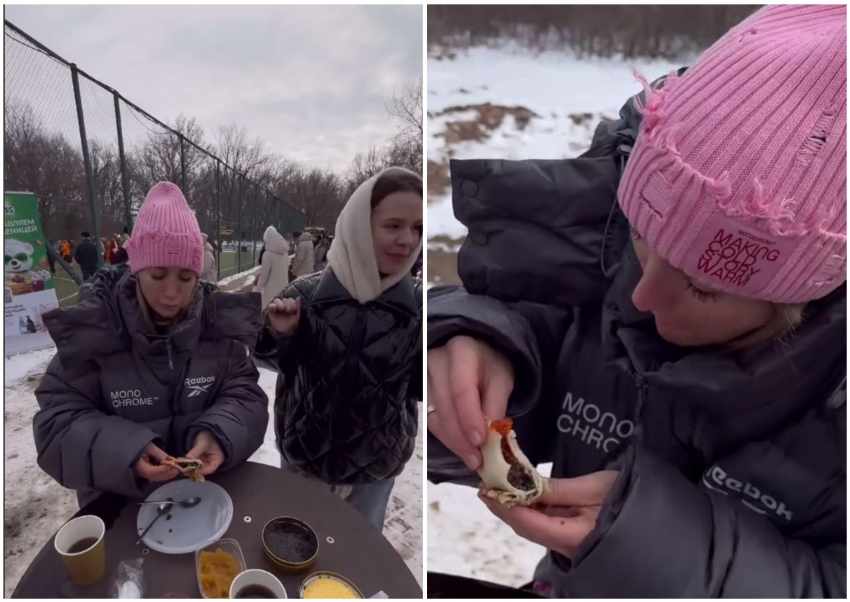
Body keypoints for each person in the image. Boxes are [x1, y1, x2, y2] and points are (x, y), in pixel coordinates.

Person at [427, 6, 845, 599]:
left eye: (703, 286)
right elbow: (548, 334)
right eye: (644, 240)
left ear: (805, 298)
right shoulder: (606, 266)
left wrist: (651, 546)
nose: (641, 296)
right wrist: (476, 343)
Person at [33, 182, 269, 508]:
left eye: (186, 278)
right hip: (120, 510)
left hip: (203, 501)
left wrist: (219, 433)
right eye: (158, 276)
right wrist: (124, 451)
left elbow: (245, 395)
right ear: (137, 269)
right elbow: (56, 424)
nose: (171, 293)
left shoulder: (219, 326)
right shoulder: (94, 328)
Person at [255, 167, 423, 531]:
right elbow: (264, 358)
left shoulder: (421, 307)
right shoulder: (306, 294)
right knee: (292, 552)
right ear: (360, 226)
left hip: (373, 474)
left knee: (356, 568)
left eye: (418, 229)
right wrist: (281, 334)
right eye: (393, 226)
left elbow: (422, 388)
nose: (407, 240)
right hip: (303, 463)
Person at [253, 226, 290, 308]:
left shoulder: (267, 254)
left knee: (268, 311)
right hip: (284, 287)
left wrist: (256, 290)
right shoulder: (285, 252)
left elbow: (264, 276)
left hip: (271, 290)